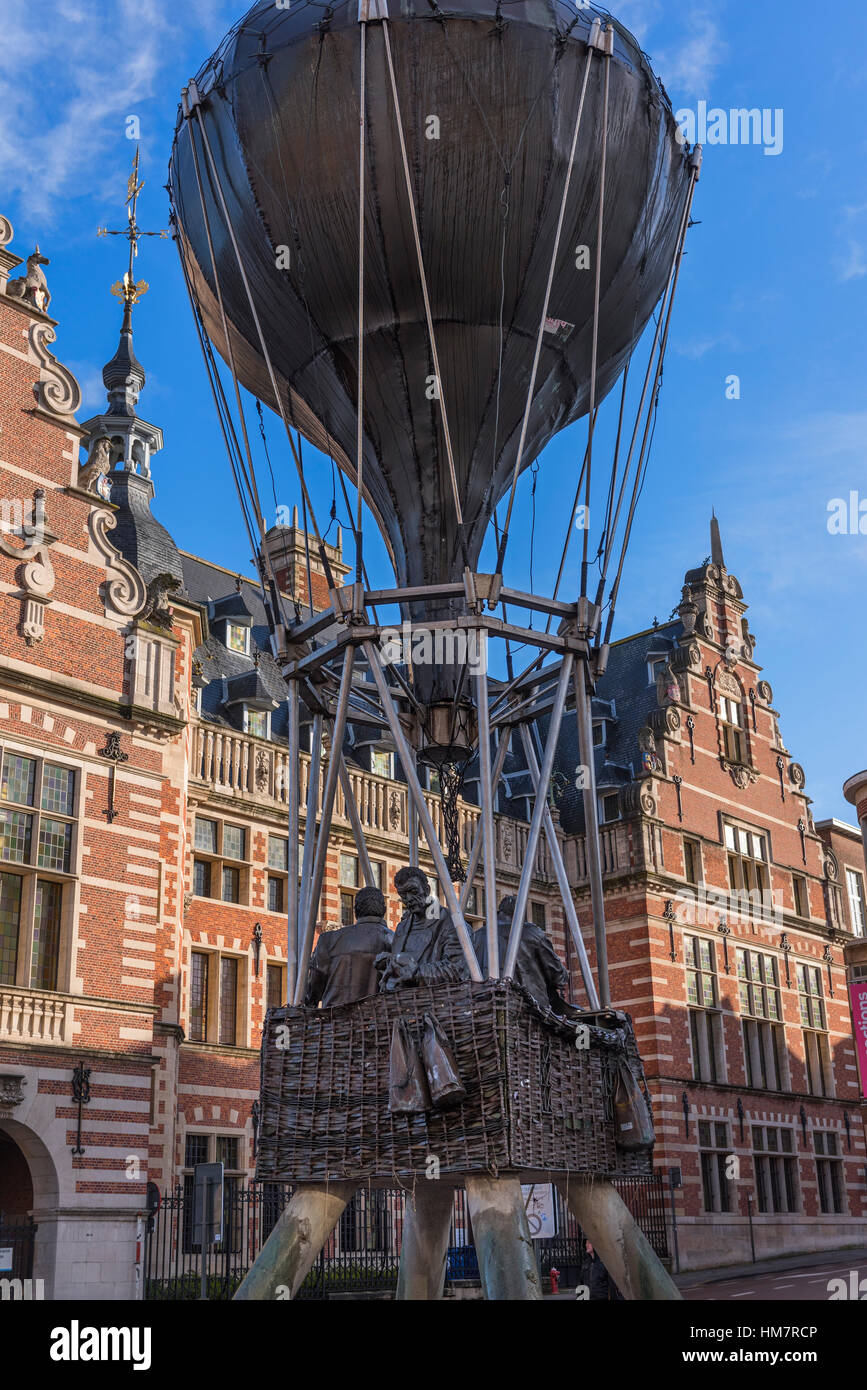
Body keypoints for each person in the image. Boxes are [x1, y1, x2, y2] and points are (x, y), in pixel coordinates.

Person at [473, 894, 574, 1015]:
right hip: (530, 1011)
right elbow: (558, 977)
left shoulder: (476, 936)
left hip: (485, 1011)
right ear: (521, 913)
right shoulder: (532, 933)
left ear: (499, 912)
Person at [377, 866, 469, 991]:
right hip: (401, 1004)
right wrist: (389, 962)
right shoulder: (402, 928)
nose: (408, 899)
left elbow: (458, 969)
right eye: (403, 895)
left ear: (426, 890)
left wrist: (417, 973)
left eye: (413, 891)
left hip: (437, 1004)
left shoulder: (451, 923)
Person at [304, 885, 393, 1008]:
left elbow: (312, 992)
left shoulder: (328, 940)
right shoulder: (396, 941)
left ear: (355, 910)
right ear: (384, 910)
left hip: (335, 1021)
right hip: (378, 1022)